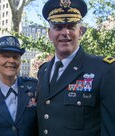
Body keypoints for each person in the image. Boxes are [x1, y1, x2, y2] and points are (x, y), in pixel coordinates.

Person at [37, 0, 115, 136]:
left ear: (80, 32)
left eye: (71, 26)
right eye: (58, 27)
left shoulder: (104, 70)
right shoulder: (43, 71)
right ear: (49, 34)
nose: (65, 32)